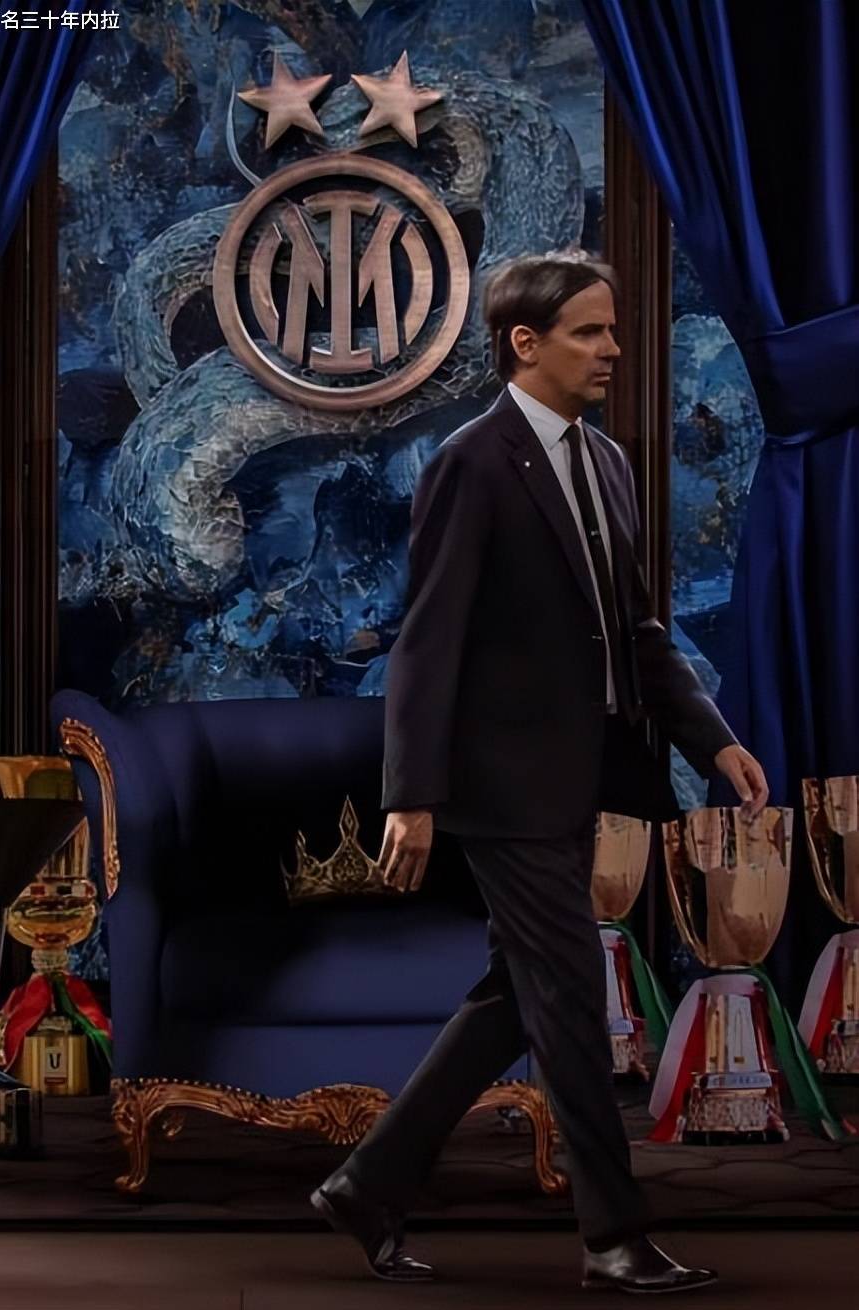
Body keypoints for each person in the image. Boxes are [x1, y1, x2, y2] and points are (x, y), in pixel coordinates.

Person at [310, 255, 769, 1295]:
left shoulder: (605, 462)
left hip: (581, 775)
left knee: (514, 996)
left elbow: (637, 631)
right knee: (567, 998)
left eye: (612, 330)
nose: (612, 350)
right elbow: (427, 641)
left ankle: (366, 1184)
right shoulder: (470, 464)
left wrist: (713, 740)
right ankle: (614, 1237)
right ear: (524, 343)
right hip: (500, 787)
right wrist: (410, 795)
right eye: (589, 333)